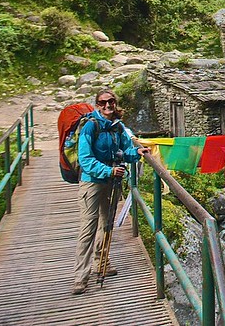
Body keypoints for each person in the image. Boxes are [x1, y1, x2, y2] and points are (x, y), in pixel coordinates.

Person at [71, 88, 150, 295]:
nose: (107, 106)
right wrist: (108, 170)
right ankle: (80, 277)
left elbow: (125, 150)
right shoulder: (90, 127)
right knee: (88, 227)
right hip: (92, 182)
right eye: (103, 102)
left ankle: (102, 263)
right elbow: (85, 160)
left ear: (115, 104)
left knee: (106, 224)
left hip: (111, 180)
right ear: (97, 105)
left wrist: (138, 152)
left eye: (111, 102)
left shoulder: (117, 127)